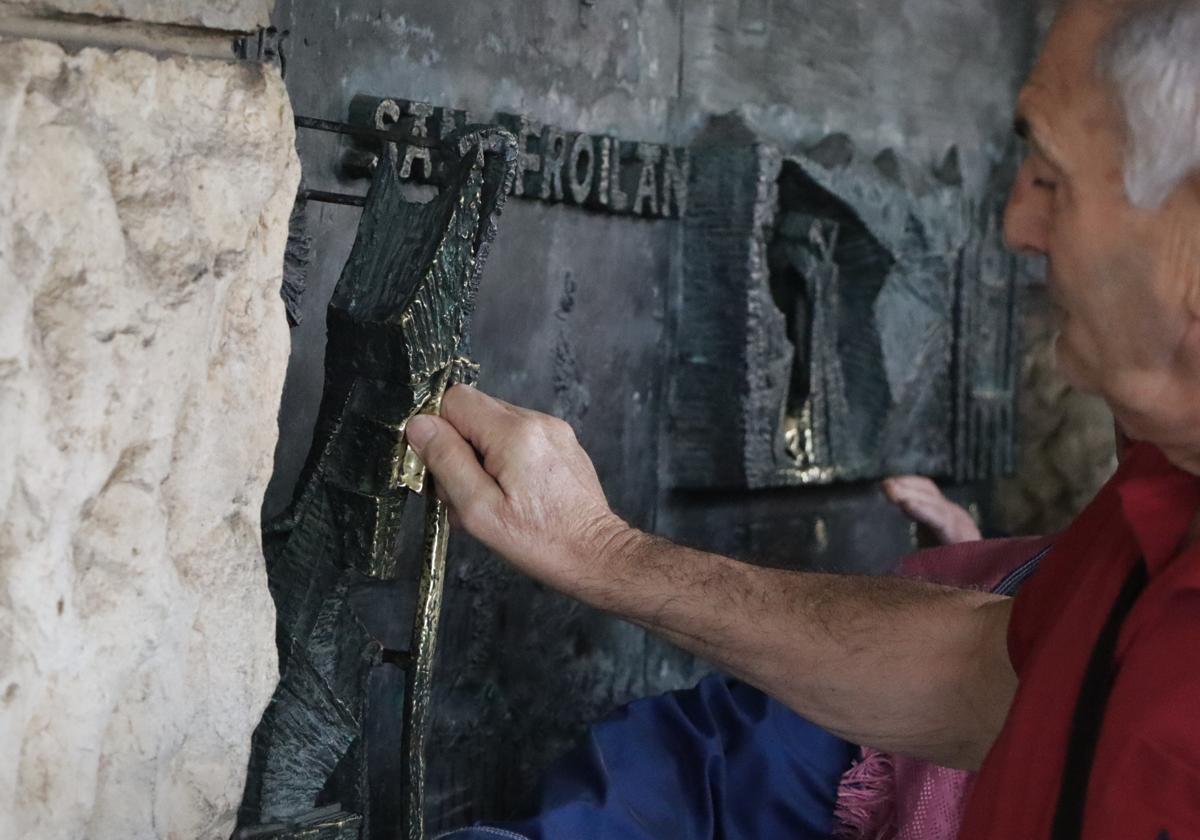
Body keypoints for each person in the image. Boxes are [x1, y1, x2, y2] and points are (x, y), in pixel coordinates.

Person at [410, 0, 1200, 836]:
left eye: (1049, 174)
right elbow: (985, 679)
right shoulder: (1157, 504)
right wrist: (601, 552)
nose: (1014, 225)